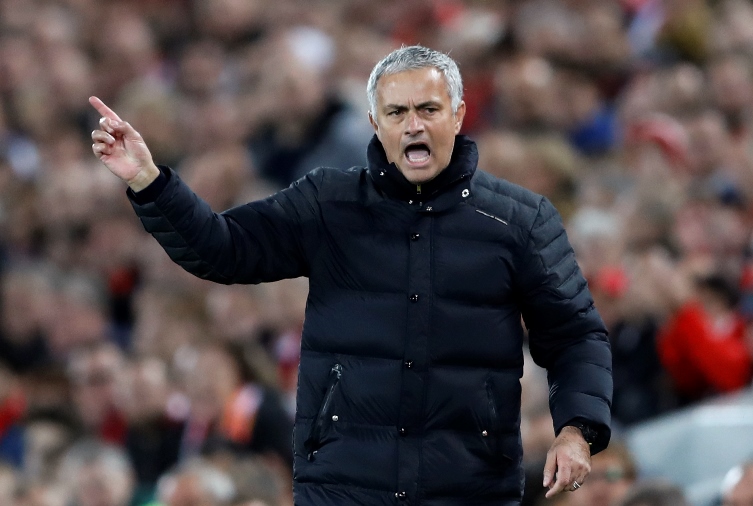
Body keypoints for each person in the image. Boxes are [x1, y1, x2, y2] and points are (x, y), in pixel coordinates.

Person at [89, 45, 613, 505]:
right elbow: (224, 249)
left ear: (457, 115)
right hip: (343, 483)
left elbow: (574, 334)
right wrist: (149, 181)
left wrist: (576, 429)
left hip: (468, 485)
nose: (414, 124)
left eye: (429, 109)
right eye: (397, 111)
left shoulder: (520, 220)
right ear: (374, 122)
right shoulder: (327, 203)